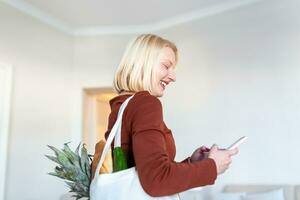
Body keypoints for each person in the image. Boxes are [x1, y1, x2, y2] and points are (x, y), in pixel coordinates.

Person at [91, 34, 238, 197]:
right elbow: (156, 180)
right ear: (143, 63)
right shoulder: (145, 103)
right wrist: (212, 166)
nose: (173, 77)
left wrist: (191, 163)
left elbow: (140, 175)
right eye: (166, 66)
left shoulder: (122, 106)